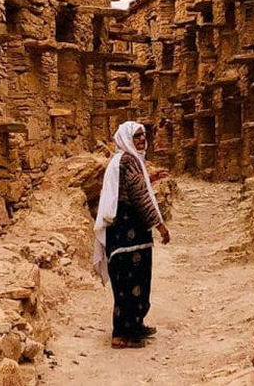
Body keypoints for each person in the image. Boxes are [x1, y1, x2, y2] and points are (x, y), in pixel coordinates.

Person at [93, 121, 171, 349]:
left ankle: (135, 326)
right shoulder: (128, 161)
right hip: (129, 232)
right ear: (126, 138)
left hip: (129, 232)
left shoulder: (124, 160)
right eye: (136, 136)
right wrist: (160, 225)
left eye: (143, 136)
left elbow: (134, 188)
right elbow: (140, 197)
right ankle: (121, 333)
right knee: (129, 281)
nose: (141, 140)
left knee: (133, 279)